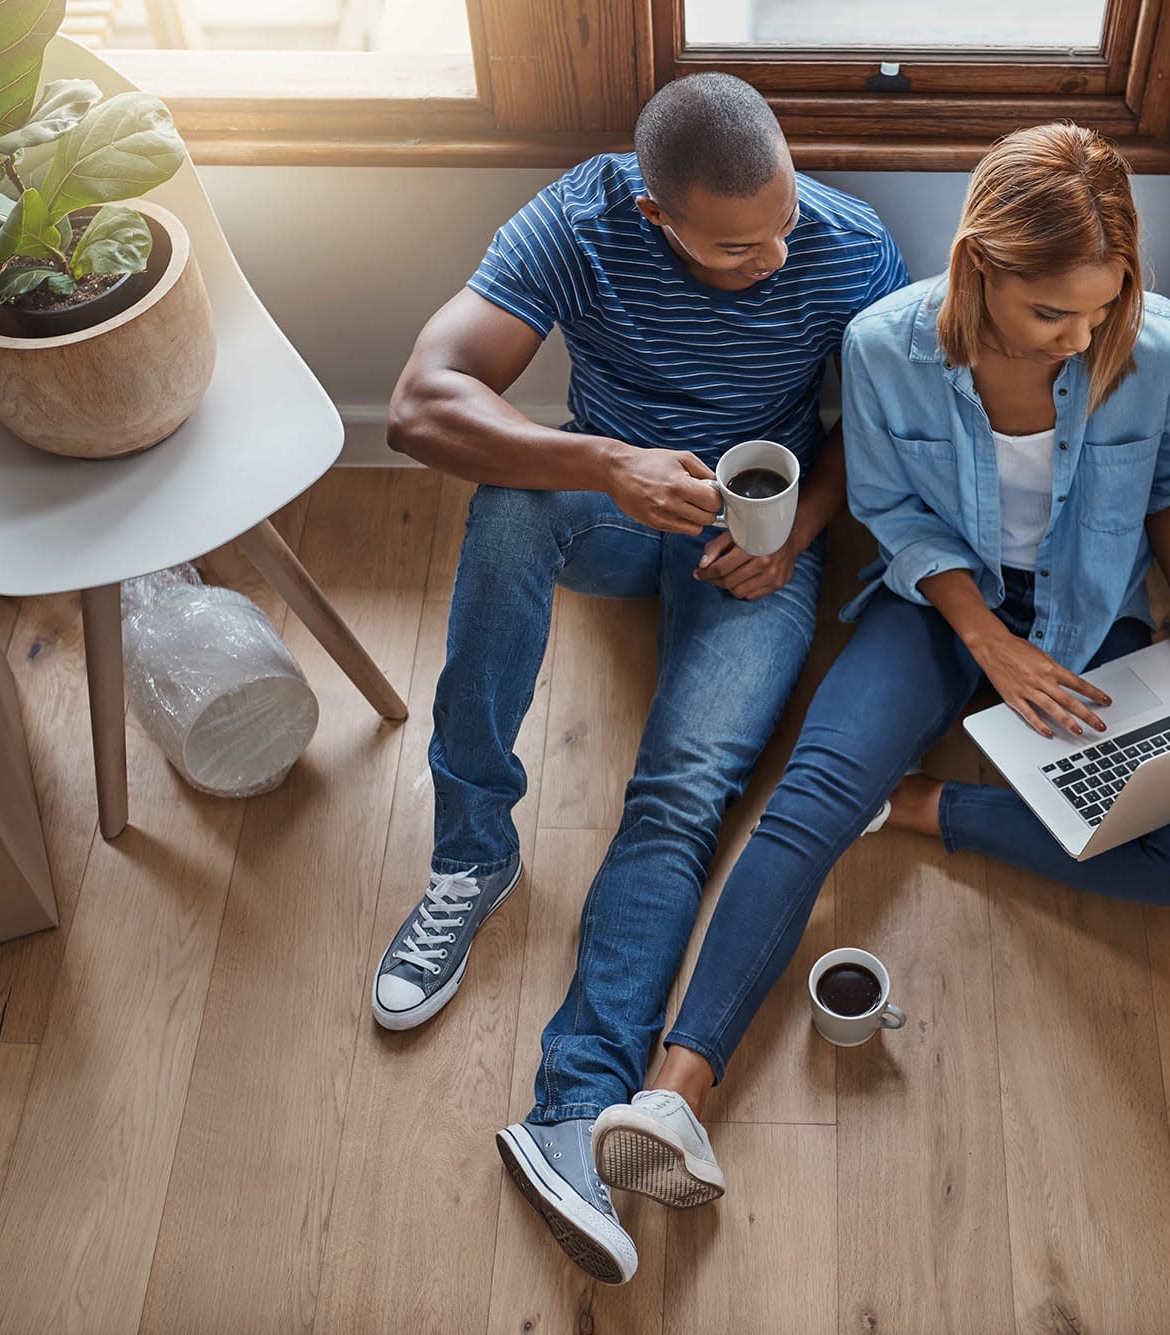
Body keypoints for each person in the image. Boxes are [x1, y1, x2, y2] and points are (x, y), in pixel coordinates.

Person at [584, 123, 1170, 1216]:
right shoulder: (881, 345)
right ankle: (675, 1093)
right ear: (979, 268)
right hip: (935, 604)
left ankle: (916, 809)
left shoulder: (1158, 350)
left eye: (1101, 306)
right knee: (809, 796)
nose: (1079, 335)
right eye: (1052, 311)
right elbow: (889, 511)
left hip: (1089, 609)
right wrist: (983, 639)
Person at [372, 73, 909, 1284]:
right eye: (735, 242)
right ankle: (472, 852)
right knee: (511, 504)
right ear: (655, 214)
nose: (773, 258)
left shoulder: (845, 246)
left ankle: (569, 1110)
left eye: (781, 223)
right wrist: (607, 465)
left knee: (678, 796)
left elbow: (880, 431)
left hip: (752, 555)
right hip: (616, 513)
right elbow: (417, 405)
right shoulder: (578, 222)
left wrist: (801, 534)